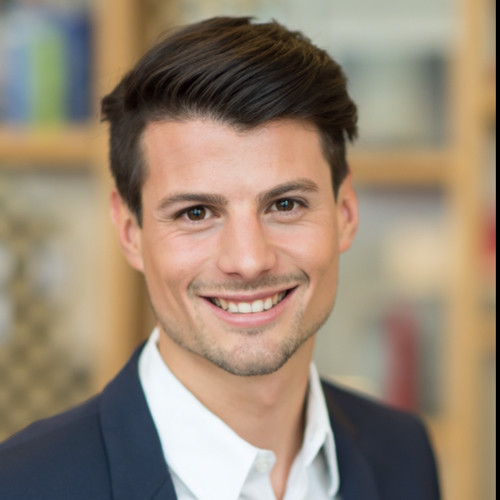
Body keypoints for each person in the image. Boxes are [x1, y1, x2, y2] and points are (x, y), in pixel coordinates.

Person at [0, 16, 440, 500]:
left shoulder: (403, 454)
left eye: (285, 205)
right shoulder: (22, 485)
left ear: (346, 211)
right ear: (130, 233)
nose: (248, 261)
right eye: (196, 213)